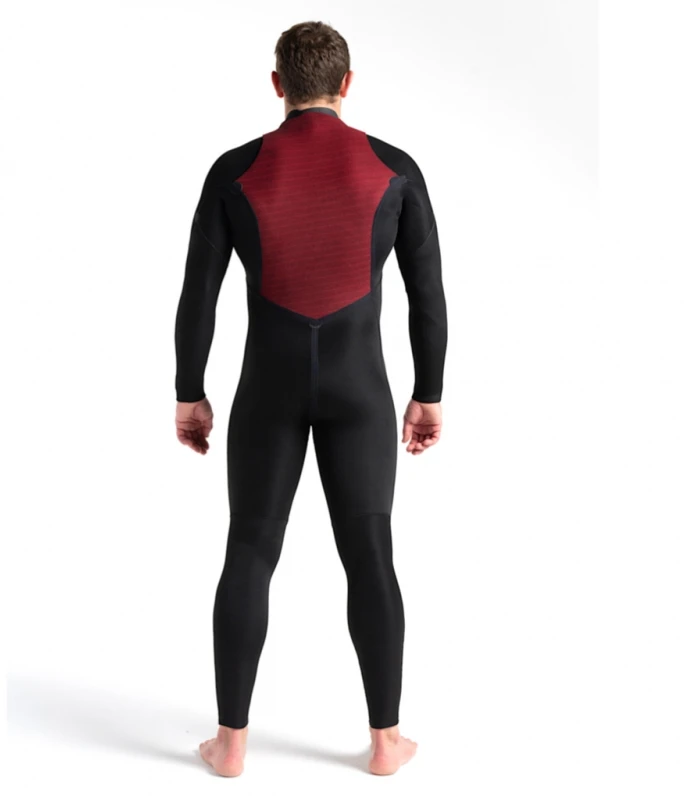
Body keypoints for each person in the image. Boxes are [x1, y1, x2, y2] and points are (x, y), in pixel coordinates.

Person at [173, 20, 447, 777]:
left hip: (269, 387)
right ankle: (385, 744)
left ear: (277, 86)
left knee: (249, 550)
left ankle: (230, 745)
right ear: (347, 84)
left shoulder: (234, 171)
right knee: (371, 555)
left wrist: (190, 392)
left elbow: (198, 293)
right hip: (361, 391)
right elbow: (428, 294)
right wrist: (427, 392)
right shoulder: (394, 169)